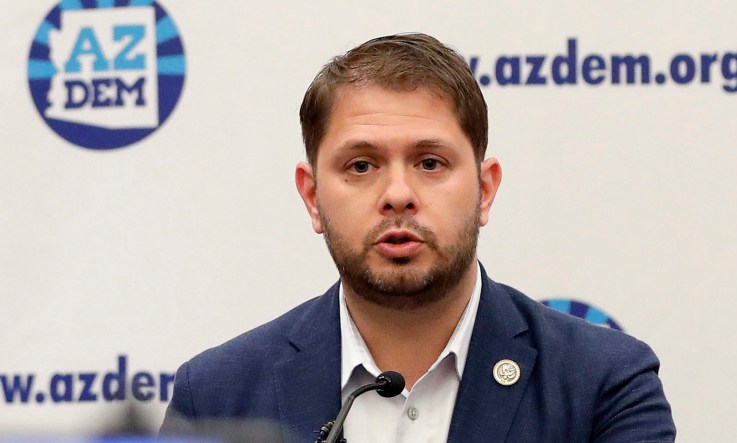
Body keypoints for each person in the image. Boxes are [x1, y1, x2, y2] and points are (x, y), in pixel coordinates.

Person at [160, 33, 675, 442]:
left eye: (431, 163)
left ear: (485, 190)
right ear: (313, 196)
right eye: (361, 165)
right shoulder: (215, 397)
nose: (398, 195)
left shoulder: (602, 384)